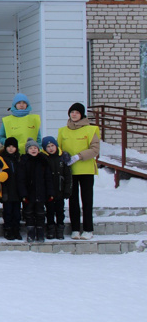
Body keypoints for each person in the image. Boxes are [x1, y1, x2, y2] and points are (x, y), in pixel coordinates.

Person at [57, 103, 100, 240]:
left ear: (82, 114)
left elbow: (95, 149)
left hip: (86, 169)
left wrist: (78, 156)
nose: (74, 114)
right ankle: (75, 228)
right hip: (70, 171)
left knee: (87, 200)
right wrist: (63, 155)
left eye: (77, 112)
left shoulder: (91, 130)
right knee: (72, 200)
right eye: (72, 112)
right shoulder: (63, 131)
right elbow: (58, 148)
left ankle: (88, 229)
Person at [18, 138, 54, 243]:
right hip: (29, 194)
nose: (33, 150)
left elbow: (48, 178)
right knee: (28, 213)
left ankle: (40, 232)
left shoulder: (43, 161)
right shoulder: (23, 161)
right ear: (27, 150)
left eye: (35, 148)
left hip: (41, 193)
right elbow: (21, 180)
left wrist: (50, 192)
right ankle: (31, 232)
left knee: (40, 213)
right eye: (31, 148)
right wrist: (23, 194)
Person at [42, 136, 72, 240]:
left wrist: (67, 190)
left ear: (56, 145)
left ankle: (60, 229)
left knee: (60, 211)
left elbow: (68, 175)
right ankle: (50, 229)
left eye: (52, 146)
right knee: (49, 211)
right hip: (49, 191)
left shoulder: (63, 157)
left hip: (60, 190)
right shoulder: (44, 158)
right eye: (48, 146)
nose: (50, 148)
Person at [0, 137, 22, 241]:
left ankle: (16, 230)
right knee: (7, 211)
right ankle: (8, 230)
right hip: (7, 189)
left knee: (17, 212)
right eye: (9, 146)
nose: (11, 149)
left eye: (13, 147)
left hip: (17, 190)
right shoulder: (2, 158)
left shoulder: (19, 159)